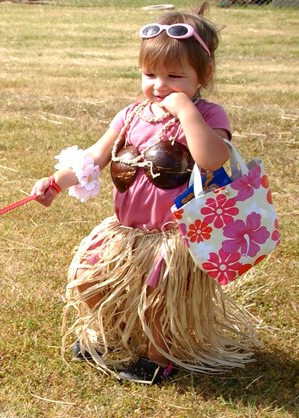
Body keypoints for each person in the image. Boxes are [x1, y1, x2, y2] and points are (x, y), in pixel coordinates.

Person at [30, 3, 259, 385]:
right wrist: (55, 182)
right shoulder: (131, 115)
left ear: (203, 75)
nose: (159, 85)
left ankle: (158, 358)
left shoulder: (210, 117)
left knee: (158, 301)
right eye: (149, 73)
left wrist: (187, 113)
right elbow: (94, 157)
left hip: (174, 237)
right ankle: (110, 335)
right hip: (127, 232)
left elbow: (213, 158)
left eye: (174, 75)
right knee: (89, 279)